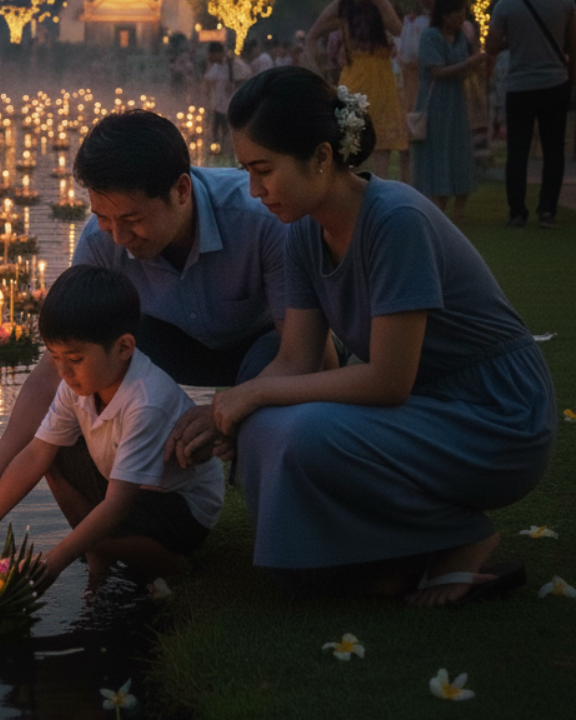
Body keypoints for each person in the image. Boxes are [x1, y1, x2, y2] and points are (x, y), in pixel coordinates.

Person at [222, 66, 556, 606]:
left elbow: (388, 381)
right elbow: (297, 359)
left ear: (323, 157)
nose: (255, 190)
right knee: (261, 427)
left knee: (300, 430)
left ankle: (458, 535)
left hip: (496, 413)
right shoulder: (304, 231)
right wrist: (227, 409)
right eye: (246, 171)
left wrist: (256, 392)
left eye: (265, 170)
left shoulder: (395, 220)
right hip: (425, 405)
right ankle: (346, 558)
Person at [0, 110, 289, 541]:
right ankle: (113, 548)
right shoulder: (100, 240)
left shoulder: (259, 220)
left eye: (131, 220)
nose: (118, 237)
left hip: (260, 347)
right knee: (79, 384)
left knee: (269, 403)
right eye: (104, 218)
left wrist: (230, 410)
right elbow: (53, 369)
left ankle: (276, 532)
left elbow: (306, 348)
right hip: (164, 343)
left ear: (181, 190)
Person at [0, 265, 225, 590]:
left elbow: (117, 505)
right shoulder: (80, 383)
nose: (63, 372)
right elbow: (35, 455)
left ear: (124, 348)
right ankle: (98, 556)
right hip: (129, 488)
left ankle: (175, 565)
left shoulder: (145, 401)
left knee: (98, 530)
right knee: (51, 452)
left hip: (179, 505)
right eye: (55, 357)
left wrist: (53, 562)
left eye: (74, 359)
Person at [486, 0, 576, 228]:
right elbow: (573, 46)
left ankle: (517, 211)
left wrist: (513, 40)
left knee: (517, 151)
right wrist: (570, 81)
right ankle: (547, 210)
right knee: (554, 150)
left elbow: (491, 47)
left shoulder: (505, 6)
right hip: (555, 82)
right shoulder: (565, 4)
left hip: (519, 85)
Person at [309, 0, 410, 181]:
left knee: (380, 141)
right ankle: (354, 191)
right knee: (351, 138)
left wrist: (381, 6)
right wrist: (318, 73)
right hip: (358, 73)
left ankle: (379, 191)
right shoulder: (342, 5)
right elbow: (313, 36)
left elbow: (398, 30)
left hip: (379, 73)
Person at [412, 0, 491, 219]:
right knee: (438, 154)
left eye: (461, 12)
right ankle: (438, 210)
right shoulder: (431, 36)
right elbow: (436, 71)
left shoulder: (461, 38)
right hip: (436, 104)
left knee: (460, 153)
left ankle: (457, 212)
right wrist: (470, 64)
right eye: (455, 13)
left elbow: (463, 70)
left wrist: (473, 65)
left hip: (457, 104)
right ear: (444, 15)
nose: (459, 17)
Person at [202, 41, 252, 155]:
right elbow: (208, 79)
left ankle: (230, 154)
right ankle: (218, 152)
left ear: (219, 53)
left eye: (212, 55)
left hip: (231, 106)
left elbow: (247, 76)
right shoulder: (216, 66)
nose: (210, 57)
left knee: (229, 133)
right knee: (216, 132)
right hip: (218, 107)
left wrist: (234, 83)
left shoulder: (235, 64)